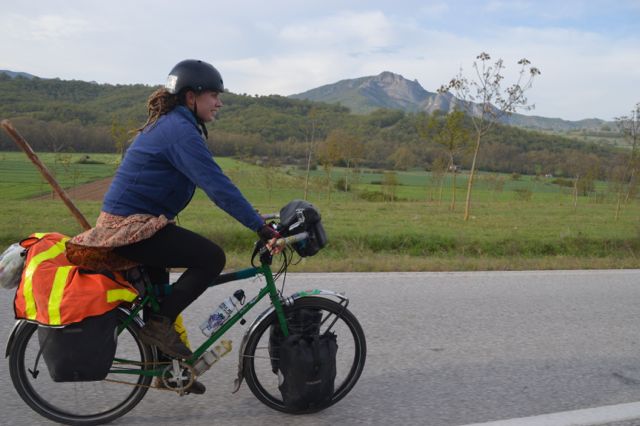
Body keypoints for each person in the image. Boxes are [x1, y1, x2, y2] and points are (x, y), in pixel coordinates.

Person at [66, 59, 279, 391]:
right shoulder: (179, 131)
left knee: (159, 297)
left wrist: (256, 217)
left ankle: (168, 373)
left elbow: (214, 184)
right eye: (213, 95)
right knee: (211, 258)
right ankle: (159, 326)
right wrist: (259, 227)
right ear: (191, 96)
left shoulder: (173, 125)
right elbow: (216, 185)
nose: (219, 103)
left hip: (139, 224)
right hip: (133, 228)